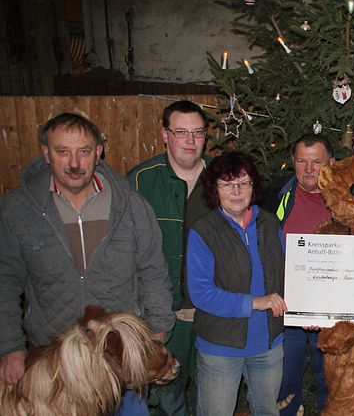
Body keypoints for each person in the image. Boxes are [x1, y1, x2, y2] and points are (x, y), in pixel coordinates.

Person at [0, 113, 174, 415]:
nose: (74, 163)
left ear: (98, 151)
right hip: (58, 365)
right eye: (62, 151)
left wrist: (156, 334)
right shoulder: (18, 209)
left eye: (83, 151)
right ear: (45, 153)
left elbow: (154, 271)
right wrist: (11, 347)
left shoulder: (130, 205)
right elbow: (4, 281)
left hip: (121, 361)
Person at [187, 151, 287, 416]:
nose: (236, 191)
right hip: (220, 348)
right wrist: (255, 302)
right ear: (214, 189)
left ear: (253, 186)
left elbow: (290, 274)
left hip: (268, 344)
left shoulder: (270, 223)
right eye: (227, 184)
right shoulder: (203, 231)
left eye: (243, 182)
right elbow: (201, 294)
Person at [128, 100, 211, 416]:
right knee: (167, 396)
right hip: (163, 315)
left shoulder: (224, 179)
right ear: (165, 135)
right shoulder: (139, 181)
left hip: (211, 313)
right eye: (181, 132)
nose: (190, 141)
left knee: (210, 392)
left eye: (198, 132)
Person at [264, 134, 334, 415]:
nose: (309, 169)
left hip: (331, 312)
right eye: (302, 162)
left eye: (316, 162)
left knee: (331, 381)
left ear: (331, 163)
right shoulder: (275, 196)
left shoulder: (347, 203)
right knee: (285, 380)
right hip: (286, 310)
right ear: (293, 162)